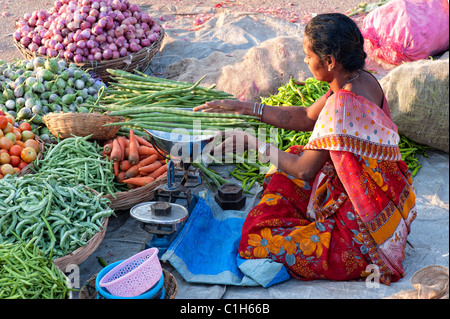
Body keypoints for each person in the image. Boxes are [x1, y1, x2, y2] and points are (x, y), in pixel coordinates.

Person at [193, 13, 416, 285]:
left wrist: (252, 142)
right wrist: (245, 107)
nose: (305, 61)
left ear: (330, 62)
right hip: (388, 203)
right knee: (296, 155)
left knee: (256, 237)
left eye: (308, 56)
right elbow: (308, 117)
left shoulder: (342, 106)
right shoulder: (362, 80)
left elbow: (304, 171)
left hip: (367, 230)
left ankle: (353, 245)